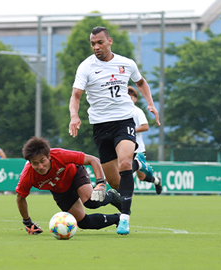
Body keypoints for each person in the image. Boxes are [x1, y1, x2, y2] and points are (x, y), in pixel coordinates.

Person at [69, 26, 160, 235]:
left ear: (110, 41)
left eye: (100, 42)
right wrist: (74, 115)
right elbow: (76, 95)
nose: (96, 47)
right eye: (93, 43)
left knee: (125, 163)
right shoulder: (86, 67)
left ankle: (125, 219)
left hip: (123, 121)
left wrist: (151, 104)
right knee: (115, 181)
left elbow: (141, 82)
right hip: (101, 127)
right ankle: (140, 163)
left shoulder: (126, 63)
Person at [15, 137, 122, 235]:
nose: (40, 167)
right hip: (59, 190)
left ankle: (112, 195)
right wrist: (27, 222)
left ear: (49, 156)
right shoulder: (27, 175)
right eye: (35, 163)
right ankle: (118, 218)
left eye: (42, 161)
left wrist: (101, 183)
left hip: (75, 175)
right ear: (30, 162)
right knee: (84, 223)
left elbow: (93, 160)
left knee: (92, 202)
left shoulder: (59, 154)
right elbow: (20, 198)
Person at [128, 86, 162, 195]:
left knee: (141, 177)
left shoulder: (137, 112)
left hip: (138, 149)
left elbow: (145, 127)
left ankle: (156, 180)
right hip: (125, 148)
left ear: (135, 99)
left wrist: (131, 130)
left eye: (131, 97)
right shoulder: (120, 112)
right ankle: (124, 195)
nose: (128, 99)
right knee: (127, 172)